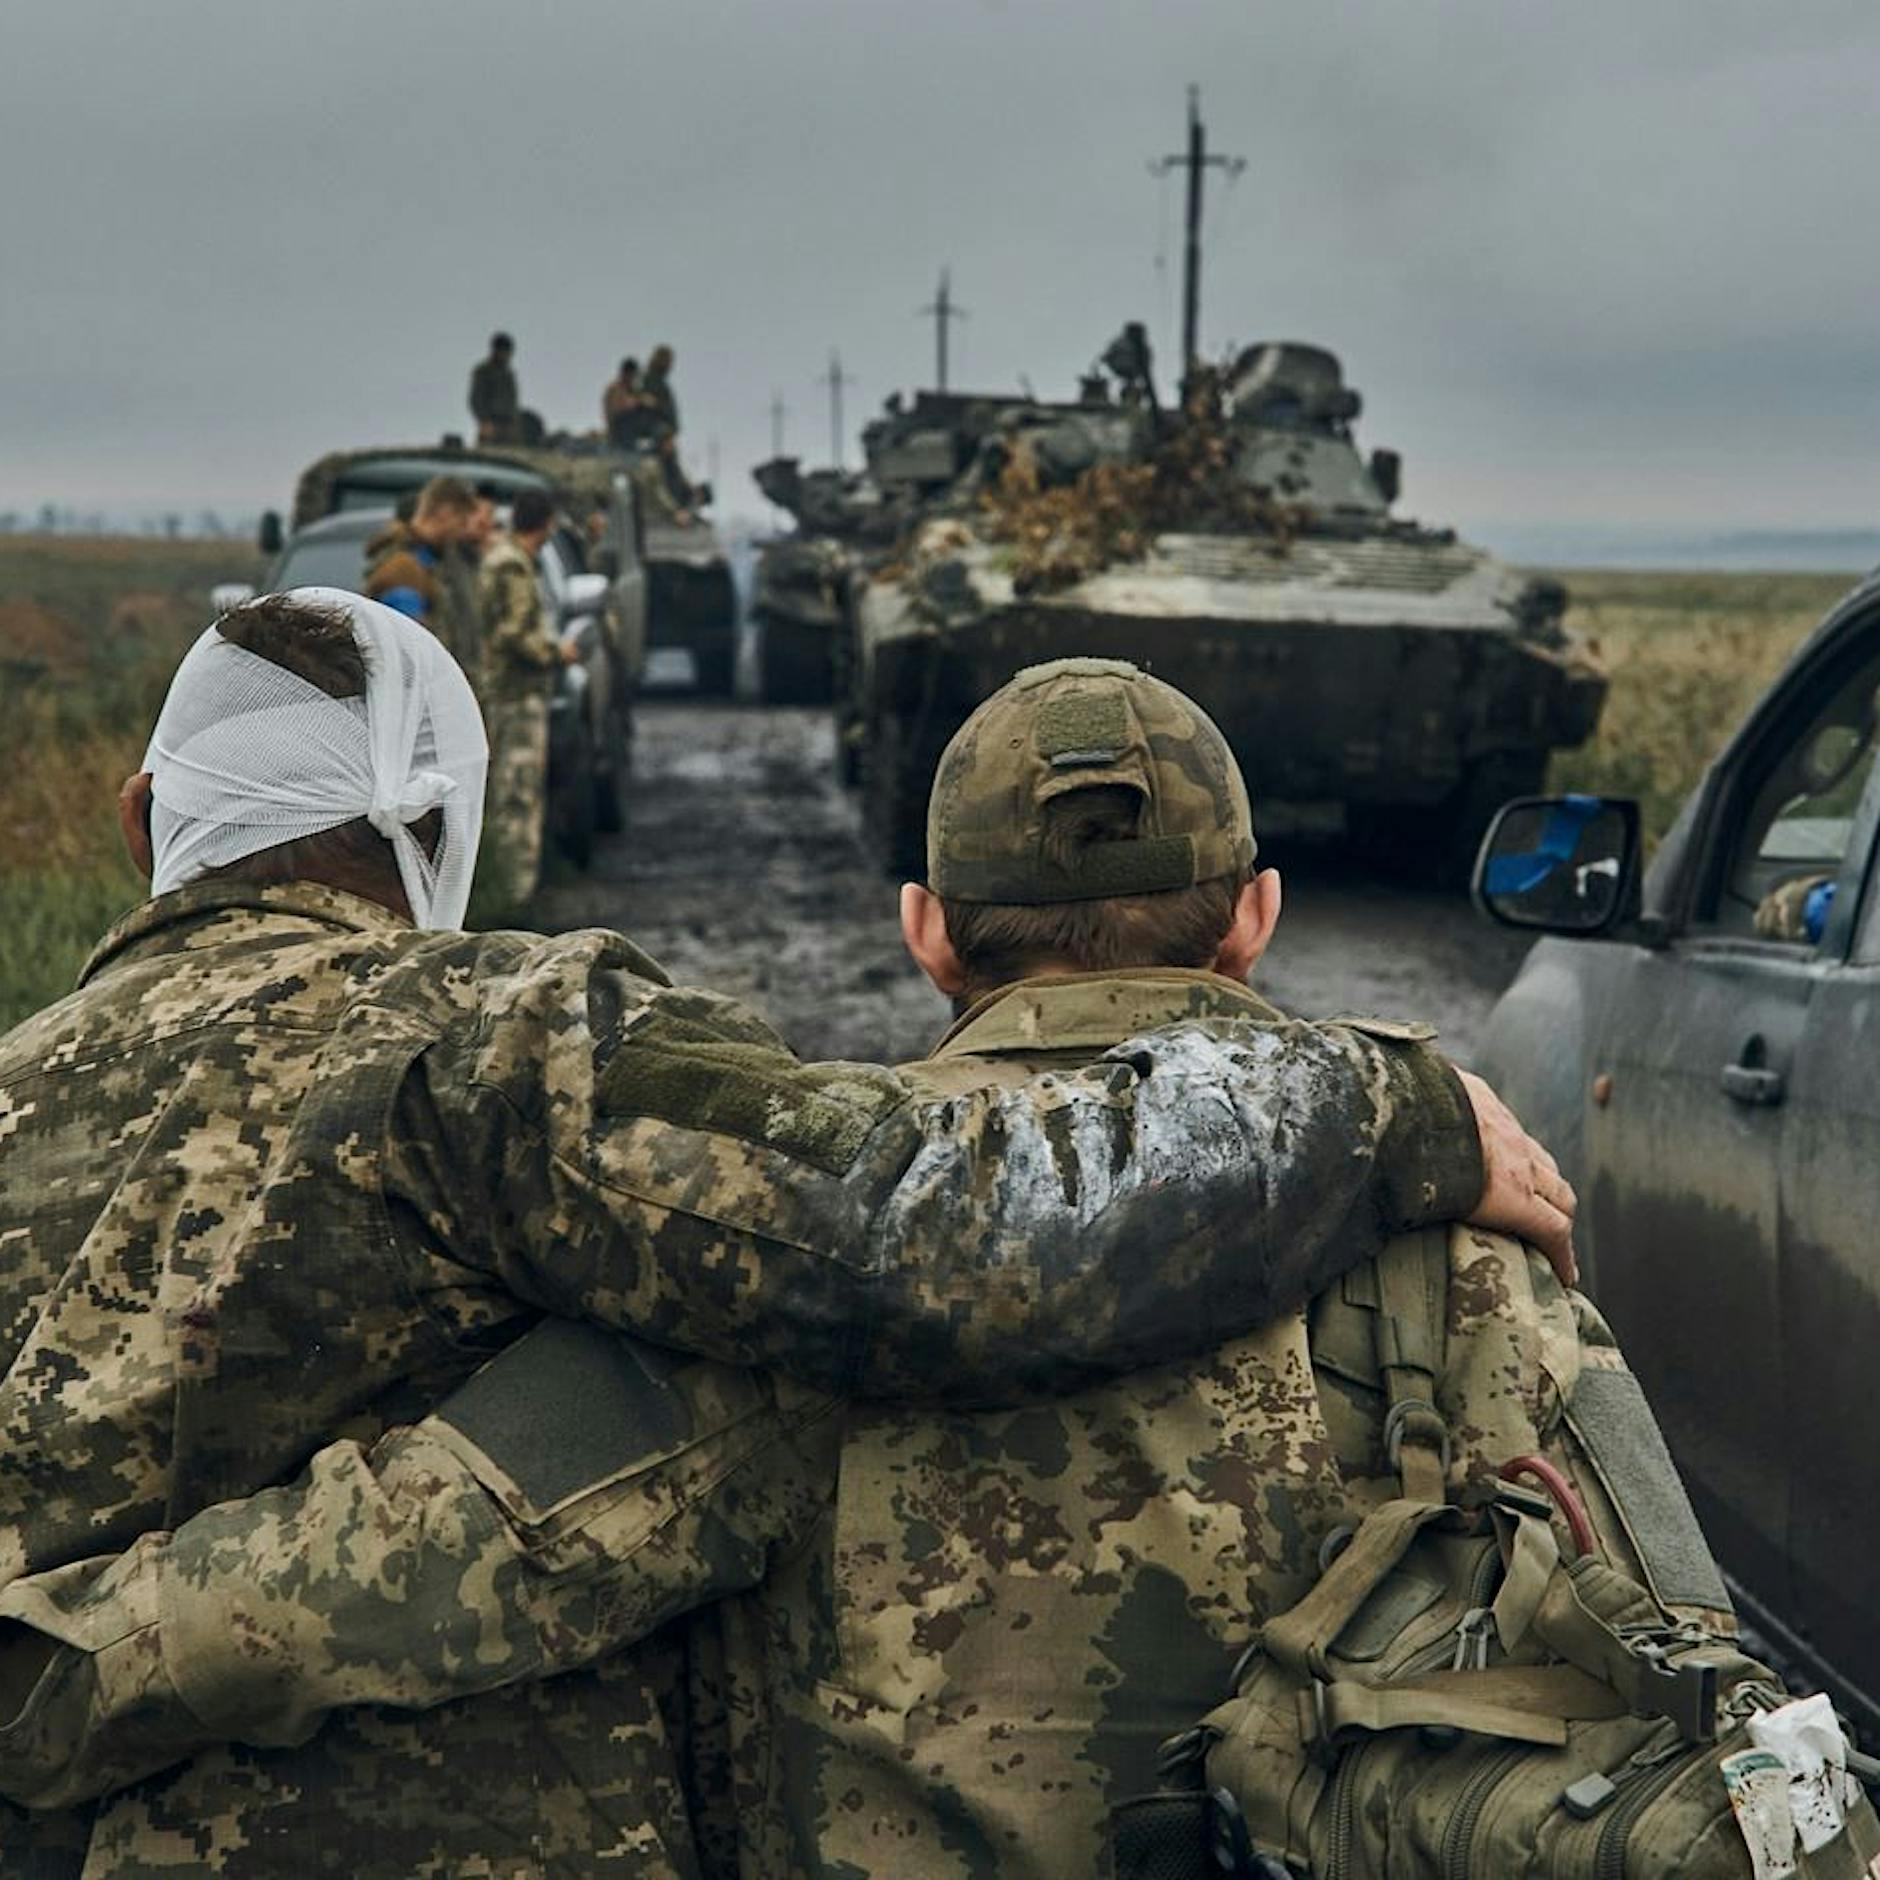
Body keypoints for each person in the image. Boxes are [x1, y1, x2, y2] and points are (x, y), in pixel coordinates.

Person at [0, 654, 1578, 1876]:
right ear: (1256, 916)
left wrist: (64, 1670)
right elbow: (1643, 1673)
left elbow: (433, 1555)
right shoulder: (1475, 1236)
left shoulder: (755, 1309)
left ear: (927, 932)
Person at [477, 485, 564, 904]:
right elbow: (512, 632)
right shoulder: (513, 565)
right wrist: (553, 652)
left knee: (506, 791)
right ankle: (514, 895)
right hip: (517, 692)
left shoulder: (503, 559)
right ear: (546, 523)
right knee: (518, 794)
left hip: (504, 691)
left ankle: (505, 889)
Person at [362, 473, 480, 662]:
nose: (463, 531)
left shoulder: (429, 564)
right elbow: (409, 653)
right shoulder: (404, 570)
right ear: (445, 513)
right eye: (462, 521)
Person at [469, 331, 520, 444]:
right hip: (490, 425)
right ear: (496, 351)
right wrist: (484, 421)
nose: (507, 355)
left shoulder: (508, 374)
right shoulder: (483, 371)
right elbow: (476, 399)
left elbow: (513, 401)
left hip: (508, 427)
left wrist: (515, 424)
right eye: (504, 351)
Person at [604, 355, 645, 443]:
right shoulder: (615, 389)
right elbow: (616, 410)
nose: (634, 379)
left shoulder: (631, 390)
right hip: (618, 433)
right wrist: (638, 401)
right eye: (633, 375)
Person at [642, 343, 679, 436]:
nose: (669, 365)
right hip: (652, 425)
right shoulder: (647, 379)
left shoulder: (661, 384)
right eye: (666, 360)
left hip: (664, 426)